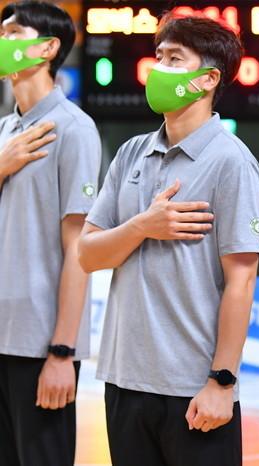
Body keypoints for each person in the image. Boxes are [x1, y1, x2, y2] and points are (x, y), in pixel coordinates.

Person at [77, 13, 259, 466]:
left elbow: (241, 281)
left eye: (175, 59)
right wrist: (142, 225)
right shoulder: (131, 153)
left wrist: (222, 381)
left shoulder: (232, 162)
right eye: (158, 56)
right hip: (124, 380)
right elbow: (87, 254)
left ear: (208, 79)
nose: (158, 67)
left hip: (193, 388)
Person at [0, 2, 101, 465]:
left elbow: (78, 248)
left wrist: (62, 351)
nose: (2, 41)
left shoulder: (74, 130)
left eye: (12, 33)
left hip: (37, 344)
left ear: (47, 48)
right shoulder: (5, 131)